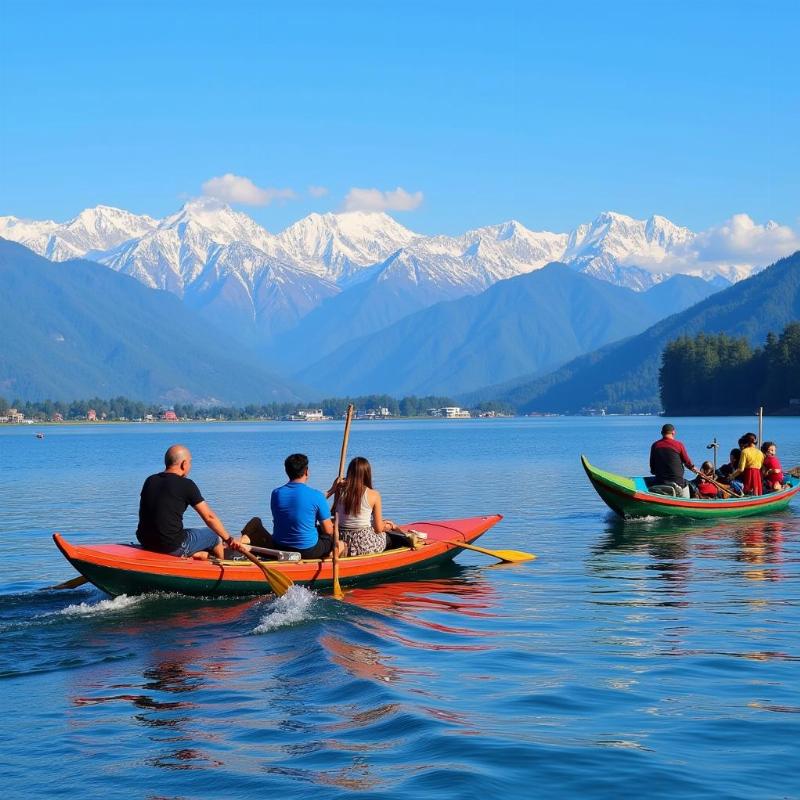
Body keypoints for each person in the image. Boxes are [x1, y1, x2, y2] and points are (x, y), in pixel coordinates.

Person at [136, 444, 238, 559]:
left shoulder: (150, 480)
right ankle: (220, 565)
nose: (190, 466)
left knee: (184, 532)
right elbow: (209, 517)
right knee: (213, 535)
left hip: (146, 541)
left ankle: (199, 555)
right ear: (184, 464)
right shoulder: (186, 485)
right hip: (171, 546)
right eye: (190, 462)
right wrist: (228, 539)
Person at [270, 453, 346, 559]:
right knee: (340, 542)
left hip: (279, 545)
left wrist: (333, 490)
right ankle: (329, 559)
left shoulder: (276, 493)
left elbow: (305, 502)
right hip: (307, 549)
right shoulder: (316, 496)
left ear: (287, 471)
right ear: (306, 471)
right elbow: (328, 530)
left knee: (316, 529)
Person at [328, 456, 399, 556]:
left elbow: (334, 513)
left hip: (342, 538)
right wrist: (389, 525)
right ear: (367, 474)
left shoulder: (340, 490)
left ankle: (346, 550)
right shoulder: (374, 495)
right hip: (363, 543)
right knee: (389, 537)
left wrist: (335, 490)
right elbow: (378, 528)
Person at [649, 423, 696, 498]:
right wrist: (693, 468)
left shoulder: (655, 445)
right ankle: (687, 502)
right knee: (689, 486)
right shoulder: (678, 445)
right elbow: (687, 462)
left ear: (662, 433)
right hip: (678, 482)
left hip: (660, 481)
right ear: (673, 432)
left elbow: (652, 468)